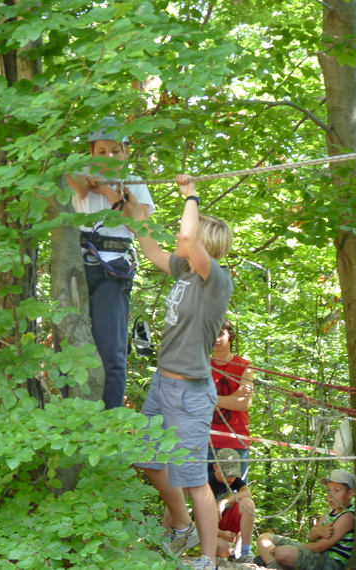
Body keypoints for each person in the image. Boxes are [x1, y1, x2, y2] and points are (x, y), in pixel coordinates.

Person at [126, 175, 234, 570]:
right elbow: (150, 246)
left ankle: (206, 560)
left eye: (186, 236)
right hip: (163, 385)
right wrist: (131, 207)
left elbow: (186, 237)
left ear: (202, 245)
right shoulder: (185, 272)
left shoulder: (215, 280)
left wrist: (191, 196)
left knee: (193, 479)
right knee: (147, 458)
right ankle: (183, 525)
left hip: (189, 393)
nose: (178, 237)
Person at [65, 117, 155, 409]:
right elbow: (76, 186)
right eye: (102, 151)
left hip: (114, 270)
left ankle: (111, 417)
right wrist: (87, 180)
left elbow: (136, 224)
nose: (109, 157)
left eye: (116, 151)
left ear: (126, 151)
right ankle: (66, 414)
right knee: (68, 344)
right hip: (77, 266)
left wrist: (107, 190)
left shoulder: (135, 183)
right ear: (91, 152)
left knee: (111, 349)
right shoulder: (76, 172)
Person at [256, 469, 356, 570]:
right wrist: (320, 531)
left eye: (336, 490)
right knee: (264, 538)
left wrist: (291, 549)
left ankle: (275, 562)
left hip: (328, 562)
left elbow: (319, 547)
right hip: (315, 553)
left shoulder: (347, 517)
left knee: (283, 552)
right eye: (328, 490)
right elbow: (311, 536)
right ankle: (275, 566)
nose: (330, 495)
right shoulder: (330, 509)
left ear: (350, 494)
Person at [209, 319, 254, 480]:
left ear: (231, 336)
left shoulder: (244, 366)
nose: (216, 339)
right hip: (202, 442)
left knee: (236, 492)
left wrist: (210, 399)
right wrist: (232, 398)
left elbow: (243, 404)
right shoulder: (202, 366)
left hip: (235, 442)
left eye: (220, 334)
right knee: (197, 490)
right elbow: (195, 405)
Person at [210, 448, 257, 563]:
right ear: (215, 467)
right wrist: (220, 533)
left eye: (233, 475)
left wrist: (224, 501)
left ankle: (245, 551)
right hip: (210, 527)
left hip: (228, 522)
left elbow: (248, 493)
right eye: (226, 475)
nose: (230, 478)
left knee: (248, 503)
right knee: (223, 550)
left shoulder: (235, 481)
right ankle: (232, 553)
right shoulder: (207, 482)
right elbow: (199, 518)